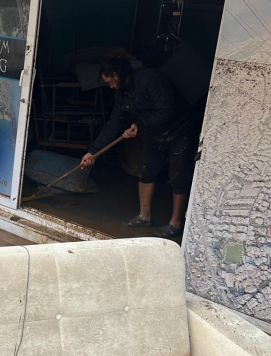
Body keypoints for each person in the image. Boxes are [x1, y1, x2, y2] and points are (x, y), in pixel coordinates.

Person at [80, 56, 196, 238]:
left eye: (110, 82)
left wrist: (139, 125)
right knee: (146, 173)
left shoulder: (151, 79)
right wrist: (93, 151)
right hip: (154, 133)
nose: (110, 87)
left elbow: (165, 110)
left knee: (178, 178)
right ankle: (144, 216)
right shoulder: (121, 94)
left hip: (179, 132)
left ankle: (175, 223)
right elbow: (114, 123)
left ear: (117, 75)